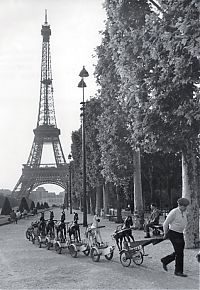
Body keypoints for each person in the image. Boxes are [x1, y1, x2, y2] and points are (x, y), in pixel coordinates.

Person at [160, 197, 190, 277]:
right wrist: (165, 234)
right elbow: (165, 223)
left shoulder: (184, 212)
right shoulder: (174, 212)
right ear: (180, 205)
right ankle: (178, 271)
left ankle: (165, 260)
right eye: (185, 206)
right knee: (179, 253)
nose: (186, 207)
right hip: (173, 233)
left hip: (180, 233)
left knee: (179, 251)